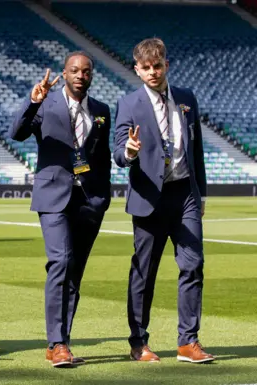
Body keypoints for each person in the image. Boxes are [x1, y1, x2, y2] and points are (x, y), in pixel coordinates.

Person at [113, 38, 213, 364]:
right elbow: (118, 152)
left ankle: (188, 342)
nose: (153, 72)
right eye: (146, 67)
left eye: (158, 66)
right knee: (145, 272)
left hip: (185, 194)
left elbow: (196, 150)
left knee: (193, 264)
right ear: (137, 70)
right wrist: (129, 152)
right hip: (149, 198)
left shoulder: (186, 99)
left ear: (166, 65)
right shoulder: (128, 104)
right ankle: (138, 343)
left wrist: (202, 194)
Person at [10, 52, 112, 367]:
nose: (80, 75)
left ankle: (62, 342)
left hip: (90, 201)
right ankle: (56, 343)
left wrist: (103, 198)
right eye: (74, 70)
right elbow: (17, 133)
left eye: (86, 71)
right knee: (61, 261)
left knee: (74, 272)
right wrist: (33, 101)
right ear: (64, 74)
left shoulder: (101, 110)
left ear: (91, 75)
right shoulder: (47, 104)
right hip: (53, 196)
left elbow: (104, 157)